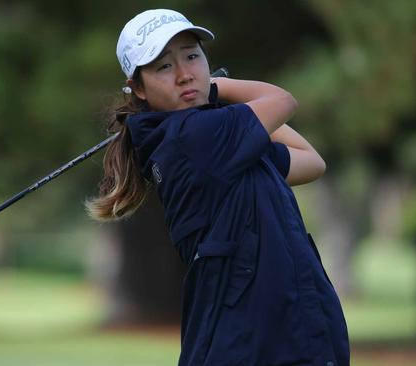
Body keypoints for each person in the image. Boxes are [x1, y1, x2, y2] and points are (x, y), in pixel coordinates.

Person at [87, 9, 349, 366]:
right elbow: (282, 101)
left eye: (192, 57)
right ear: (139, 89)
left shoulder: (220, 145)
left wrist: (218, 100)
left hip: (270, 336)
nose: (184, 75)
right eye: (164, 67)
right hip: (253, 343)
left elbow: (310, 161)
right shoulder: (196, 138)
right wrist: (217, 87)